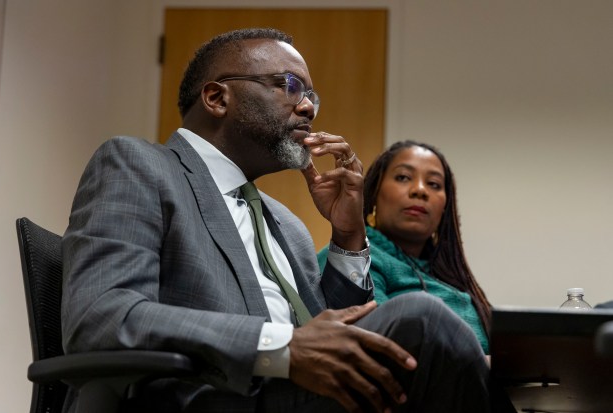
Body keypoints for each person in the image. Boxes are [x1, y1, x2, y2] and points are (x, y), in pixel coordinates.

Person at [61, 28, 491, 413]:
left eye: (312, 97)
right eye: (289, 86)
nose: (307, 108)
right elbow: (101, 316)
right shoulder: (138, 166)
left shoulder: (287, 225)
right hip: (205, 396)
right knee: (421, 317)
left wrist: (348, 234)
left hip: (294, 395)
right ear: (216, 98)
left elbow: (337, 342)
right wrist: (280, 346)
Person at [319, 140, 491, 353]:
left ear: (445, 208)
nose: (420, 190)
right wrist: (492, 368)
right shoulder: (349, 260)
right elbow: (381, 347)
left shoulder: (451, 275)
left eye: (434, 184)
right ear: (374, 195)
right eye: (403, 177)